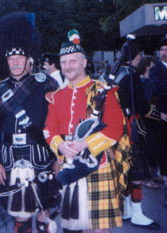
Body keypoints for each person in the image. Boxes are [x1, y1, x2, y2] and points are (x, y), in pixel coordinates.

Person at [43, 29, 128, 233]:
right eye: (64, 62)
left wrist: (85, 144)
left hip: (97, 164)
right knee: (73, 228)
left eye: (73, 61)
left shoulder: (102, 91)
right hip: (70, 164)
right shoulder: (57, 96)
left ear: (84, 62)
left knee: (97, 230)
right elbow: (49, 129)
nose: (68, 66)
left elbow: (116, 128)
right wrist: (61, 145)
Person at [0, 12, 59, 233]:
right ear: (6, 61)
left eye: (20, 59)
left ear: (29, 60)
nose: (16, 63)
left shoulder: (45, 84)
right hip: (10, 155)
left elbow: (55, 122)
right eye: (12, 59)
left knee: (43, 208)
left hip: (40, 153)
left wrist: (57, 157)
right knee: (19, 212)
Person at [115, 41, 160, 229]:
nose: (140, 58)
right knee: (136, 175)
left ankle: (126, 210)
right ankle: (137, 213)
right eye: (139, 55)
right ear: (134, 56)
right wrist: (157, 112)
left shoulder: (118, 74)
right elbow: (141, 105)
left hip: (119, 128)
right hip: (132, 128)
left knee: (125, 171)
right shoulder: (131, 76)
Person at [137, 55, 161, 189]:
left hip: (151, 119)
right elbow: (146, 103)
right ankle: (147, 178)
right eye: (153, 65)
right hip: (146, 120)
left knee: (154, 148)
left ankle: (152, 175)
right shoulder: (144, 82)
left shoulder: (148, 81)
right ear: (147, 66)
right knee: (149, 148)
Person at [150, 36, 167, 206]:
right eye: (162, 49)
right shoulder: (156, 70)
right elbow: (156, 88)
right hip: (164, 118)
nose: (164, 53)